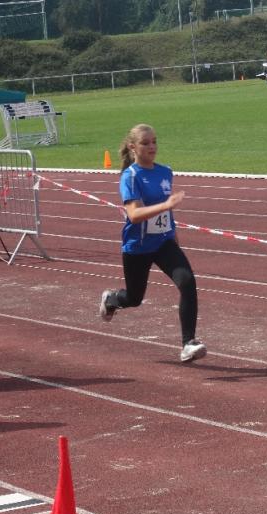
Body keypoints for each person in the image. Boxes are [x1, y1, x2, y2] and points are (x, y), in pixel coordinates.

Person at [98, 124, 207, 363]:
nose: (152, 147)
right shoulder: (130, 176)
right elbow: (134, 215)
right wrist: (166, 205)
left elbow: (167, 214)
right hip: (137, 247)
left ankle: (188, 343)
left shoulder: (165, 172)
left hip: (163, 242)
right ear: (133, 147)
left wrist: (174, 236)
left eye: (155, 141)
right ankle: (111, 300)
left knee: (187, 282)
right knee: (134, 298)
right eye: (146, 143)